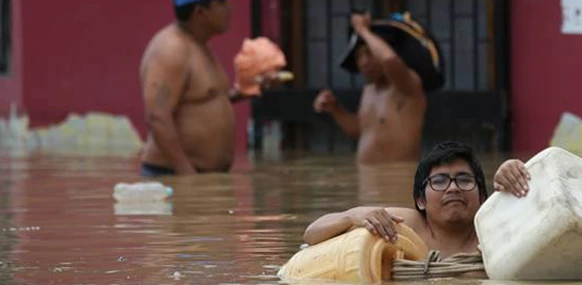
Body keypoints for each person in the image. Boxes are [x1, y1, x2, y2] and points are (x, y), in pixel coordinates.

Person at [304, 141, 531, 258]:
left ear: (482, 197)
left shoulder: (494, 231)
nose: (453, 188)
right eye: (440, 181)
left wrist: (517, 177)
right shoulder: (402, 226)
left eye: (463, 179)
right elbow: (311, 235)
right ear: (420, 200)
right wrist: (352, 215)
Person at [139, 0, 280, 176]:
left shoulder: (200, 45)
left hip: (204, 178)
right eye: (221, 4)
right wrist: (187, 174)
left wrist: (245, 92)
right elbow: (157, 117)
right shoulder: (171, 48)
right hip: (173, 176)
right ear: (200, 13)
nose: (229, 8)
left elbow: (206, 101)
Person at [313, 11, 444, 166]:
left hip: (397, 181)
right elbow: (361, 131)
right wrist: (335, 109)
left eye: (369, 53)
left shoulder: (408, 84)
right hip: (368, 181)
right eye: (359, 56)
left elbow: (389, 59)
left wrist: (362, 30)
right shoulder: (368, 90)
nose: (363, 62)